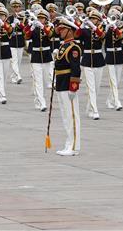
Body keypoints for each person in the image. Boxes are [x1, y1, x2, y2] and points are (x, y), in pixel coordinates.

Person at [52, 16, 82, 156]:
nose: (60, 31)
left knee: (72, 116)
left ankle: (74, 146)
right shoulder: (63, 46)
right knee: (66, 116)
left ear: (69, 30)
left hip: (68, 85)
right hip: (61, 83)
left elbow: (75, 69)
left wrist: (73, 87)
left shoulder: (73, 47)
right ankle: (68, 143)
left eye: (62, 29)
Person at [78, 9, 106, 120]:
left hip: (98, 59)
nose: (92, 20)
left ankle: (90, 108)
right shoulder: (85, 31)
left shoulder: (102, 28)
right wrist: (81, 25)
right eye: (91, 18)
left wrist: (94, 27)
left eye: (95, 19)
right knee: (91, 87)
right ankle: (95, 110)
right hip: (87, 59)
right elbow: (76, 35)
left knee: (97, 87)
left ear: (99, 21)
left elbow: (102, 36)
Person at [25, 9, 54, 111]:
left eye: (42, 18)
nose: (40, 20)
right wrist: (32, 27)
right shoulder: (34, 27)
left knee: (45, 81)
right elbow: (26, 36)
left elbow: (51, 35)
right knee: (38, 81)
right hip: (36, 55)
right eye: (39, 18)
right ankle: (42, 102)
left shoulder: (49, 26)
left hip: (46, 55)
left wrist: (43, 27)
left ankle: (39, 100)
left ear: (46, 19)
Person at [103, 7, 123, 111]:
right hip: (110, 55)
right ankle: (117, 101)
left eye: (115, 17)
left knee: (118, 81)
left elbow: (121, 36)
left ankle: (109, 100)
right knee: (113, 80)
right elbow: (102, 39)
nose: (113, 19)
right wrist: (107, 28)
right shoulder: (106, 27)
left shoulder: (121, 26)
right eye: (112, 17)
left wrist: (115, 27)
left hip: (119, 54)